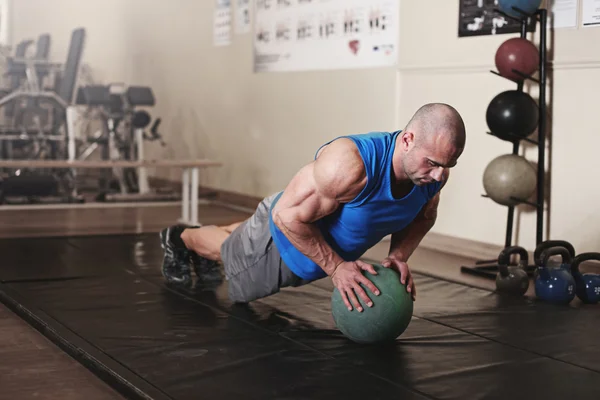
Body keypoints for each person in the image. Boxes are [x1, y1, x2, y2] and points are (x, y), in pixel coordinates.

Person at [159, 103, 466, 312]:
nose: (440, 175)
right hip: (283, 237)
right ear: (408, 140)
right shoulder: (350, 165)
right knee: (228, 252)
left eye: (448, 165)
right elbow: (286, 217)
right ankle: (180, 237)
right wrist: (335, 267)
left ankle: (242, 230)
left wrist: (399, 255)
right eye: (434, 163)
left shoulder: (432, 176)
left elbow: (424, 216)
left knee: (252, 229)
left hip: (301, 214)